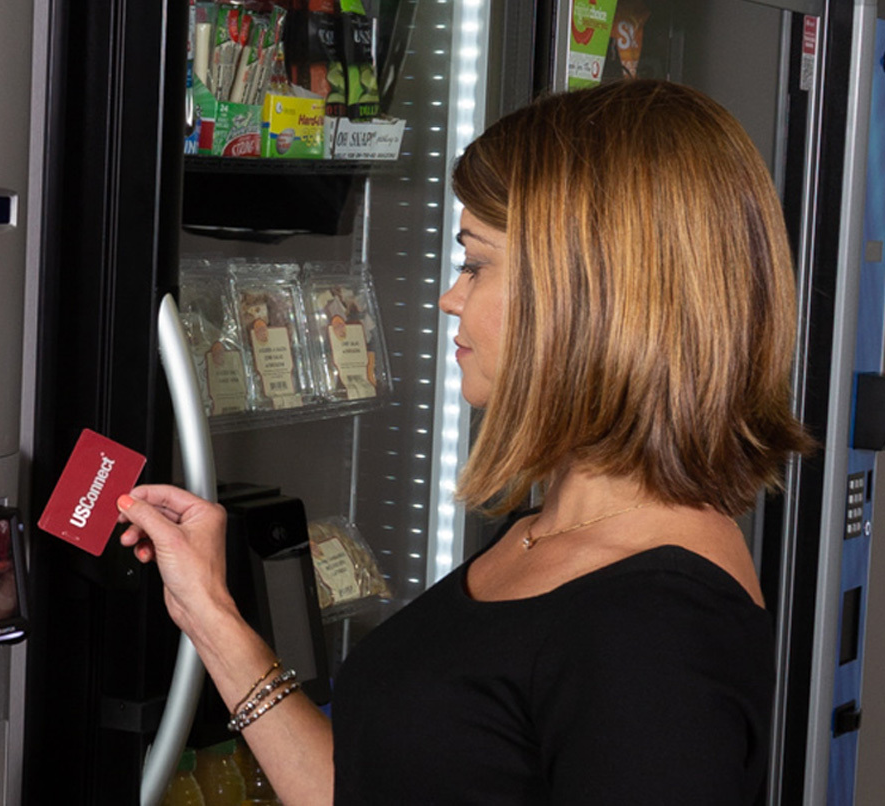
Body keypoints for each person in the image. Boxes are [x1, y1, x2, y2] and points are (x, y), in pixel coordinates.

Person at [115, 78, 814, 804]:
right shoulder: (548, 534)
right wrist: (209, 610)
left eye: (475, 263)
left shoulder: (658, 634)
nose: (450, 296)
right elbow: (360, 790)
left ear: (589, 294)